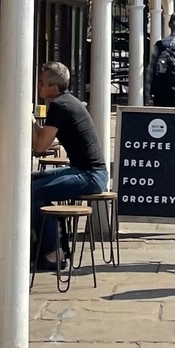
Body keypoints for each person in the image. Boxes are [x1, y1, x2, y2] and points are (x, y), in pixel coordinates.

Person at [29, 62, 109, 267]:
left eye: (41, 83)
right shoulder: (66, 102)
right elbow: (41, 142)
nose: (38, 87)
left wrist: (27, 119)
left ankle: (53, 252)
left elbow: (39, 146)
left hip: (91, 175)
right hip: (84, 170)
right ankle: (58, 243)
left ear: (54, 89)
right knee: (28, 181)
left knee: (32, 193)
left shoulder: (59, 106)